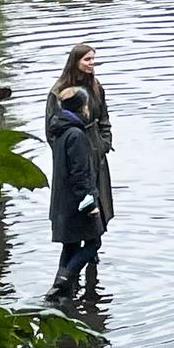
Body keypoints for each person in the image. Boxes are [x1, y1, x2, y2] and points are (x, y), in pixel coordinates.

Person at [46, 44, 114, 257]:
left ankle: (92, 271)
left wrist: (103, 144)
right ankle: (68, 279)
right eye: (87, 60)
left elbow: (104, 120)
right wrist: (68, 156)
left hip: (96, 158)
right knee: (74, 225)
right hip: (73, 160)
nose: (91, 64)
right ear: (75, 61)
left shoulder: (96, 87)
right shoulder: (57, 92)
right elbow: (52, 131)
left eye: (93, 59)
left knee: (96, 217)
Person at [45, 87, 104, 301]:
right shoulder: (76, 134)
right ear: (83, 107)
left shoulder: (59, 131)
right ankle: (62, 285)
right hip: (77, 203)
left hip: (61, 202)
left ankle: (60, 294)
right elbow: (80, 173)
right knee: (93, 243)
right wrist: (90, 204)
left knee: (70, 246)